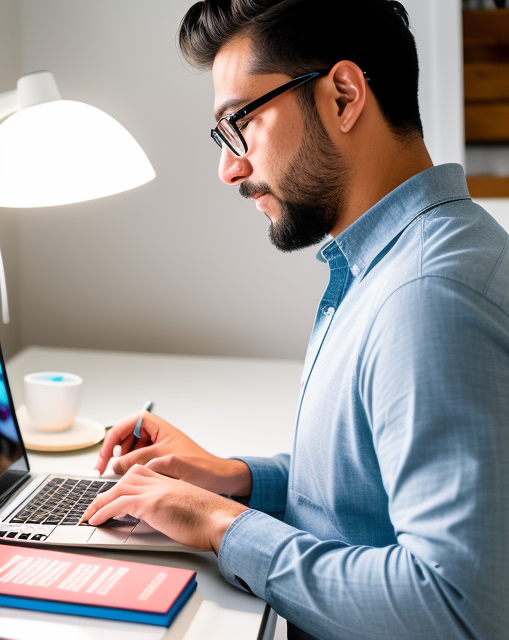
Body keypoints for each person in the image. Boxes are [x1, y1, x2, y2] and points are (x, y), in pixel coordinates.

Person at [83, 1, 509, 638]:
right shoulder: (388, 265)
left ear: (342, 96)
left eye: (240, 125)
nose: (230, 167)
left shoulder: (428, 297)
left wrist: (222, 526)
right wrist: (243, 480)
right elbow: (370, 497)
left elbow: (456, 609)